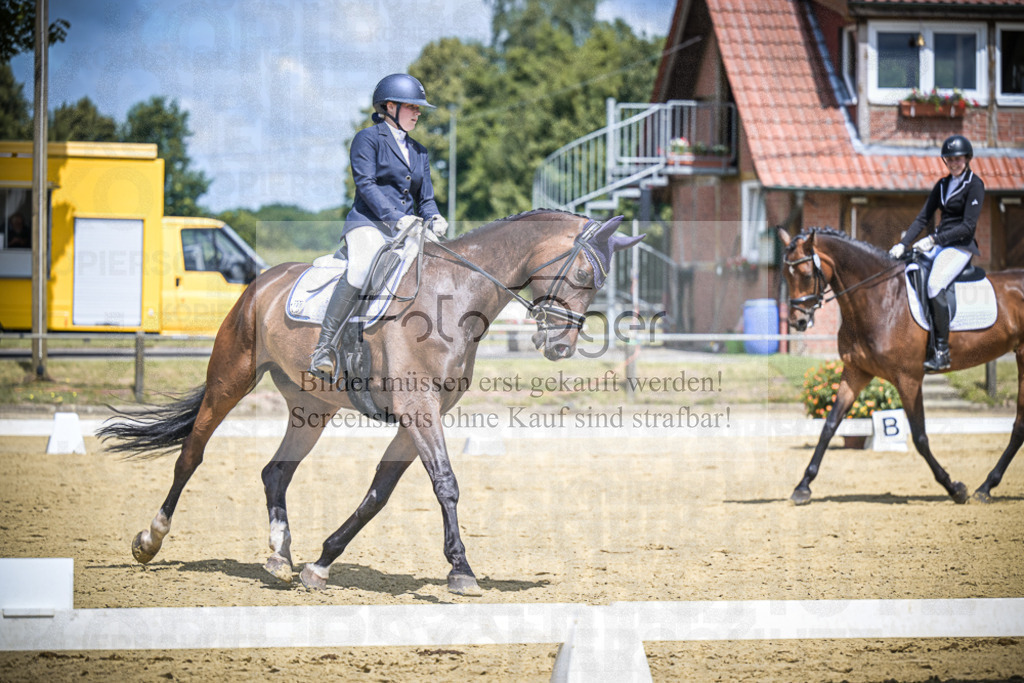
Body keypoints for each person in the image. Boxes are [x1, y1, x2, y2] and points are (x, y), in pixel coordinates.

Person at [309, 73, 449, 381]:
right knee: (361, 268)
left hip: (408, 228)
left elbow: (425, 199)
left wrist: (434, 217)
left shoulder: (420, 152)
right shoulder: (368, 139)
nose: (418, 113)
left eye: (418, 108)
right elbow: (366, 185)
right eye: (412, 106)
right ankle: (325, 347)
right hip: (368, 223)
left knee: (438, 266)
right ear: (390, 106)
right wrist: (396, 218)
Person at [888, 134, 984, 373]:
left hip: (960, 246)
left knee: (934, 284)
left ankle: (941, 351)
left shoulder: (975, 185)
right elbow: (923, 217)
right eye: (949, 159)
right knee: (909, 269)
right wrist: (904, 245)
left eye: (958, 159)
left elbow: (968, 227)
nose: (954, 163)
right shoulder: (942, 185)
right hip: (941, 244)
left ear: (967, 158)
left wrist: (933, 239)